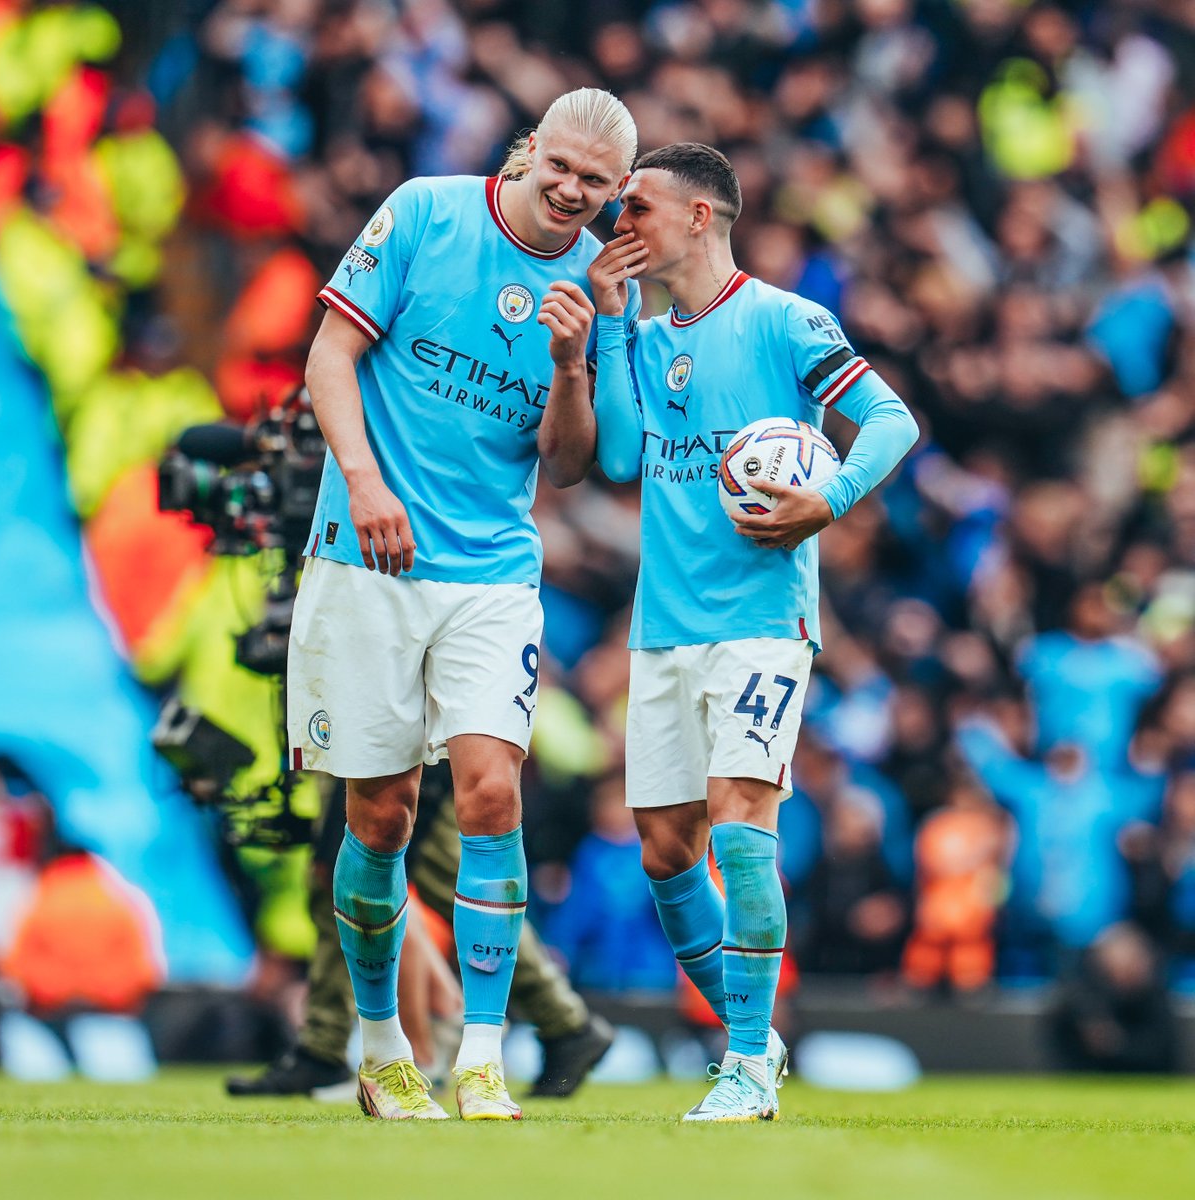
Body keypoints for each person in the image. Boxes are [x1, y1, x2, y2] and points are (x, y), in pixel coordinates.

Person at [285, 88, 638, 1121]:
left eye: (596, 182)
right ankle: (385, 1048)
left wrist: (576, 360)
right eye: (561, 166)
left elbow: (575, 465)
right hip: (369, 559)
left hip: (491, 571)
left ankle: (483, 1054)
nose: (572, 190)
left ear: (617, 192)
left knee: (492, 796)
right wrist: (362, 482)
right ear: (530, 149)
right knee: (381, 814)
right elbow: (329, 356)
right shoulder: (427, 212)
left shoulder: (598, 290)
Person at [575, 143, 918, 1120]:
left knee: (741, 823)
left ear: (699, 216)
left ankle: (746, 1061)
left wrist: (832, 496)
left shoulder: (785, 320)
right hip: (663, 624)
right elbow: (620, 459)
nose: (619, 222)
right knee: (664, 848)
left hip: (763, 619)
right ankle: (753, 1036)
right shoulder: (640, 336)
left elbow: (891, 422)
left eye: (637, 206)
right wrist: (607, 330)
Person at [226, 766, 614, 1099]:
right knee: (364, 878)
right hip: (385, 736)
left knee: (391, 876)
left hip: (403, 736)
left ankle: (553, 1022)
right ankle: (335, 1045)